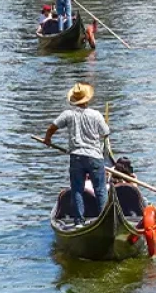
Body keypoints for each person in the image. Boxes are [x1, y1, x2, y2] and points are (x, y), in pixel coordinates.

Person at [43, 83, 111, 226]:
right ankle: (104, 220)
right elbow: (105, 133)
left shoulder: (68, 114)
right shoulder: (96, 115)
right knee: (100, 190)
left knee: (77, 190)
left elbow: (51, 128)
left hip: (77, 157)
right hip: (95, 157)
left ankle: (78, 222)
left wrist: (48, 139)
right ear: (87, 100)